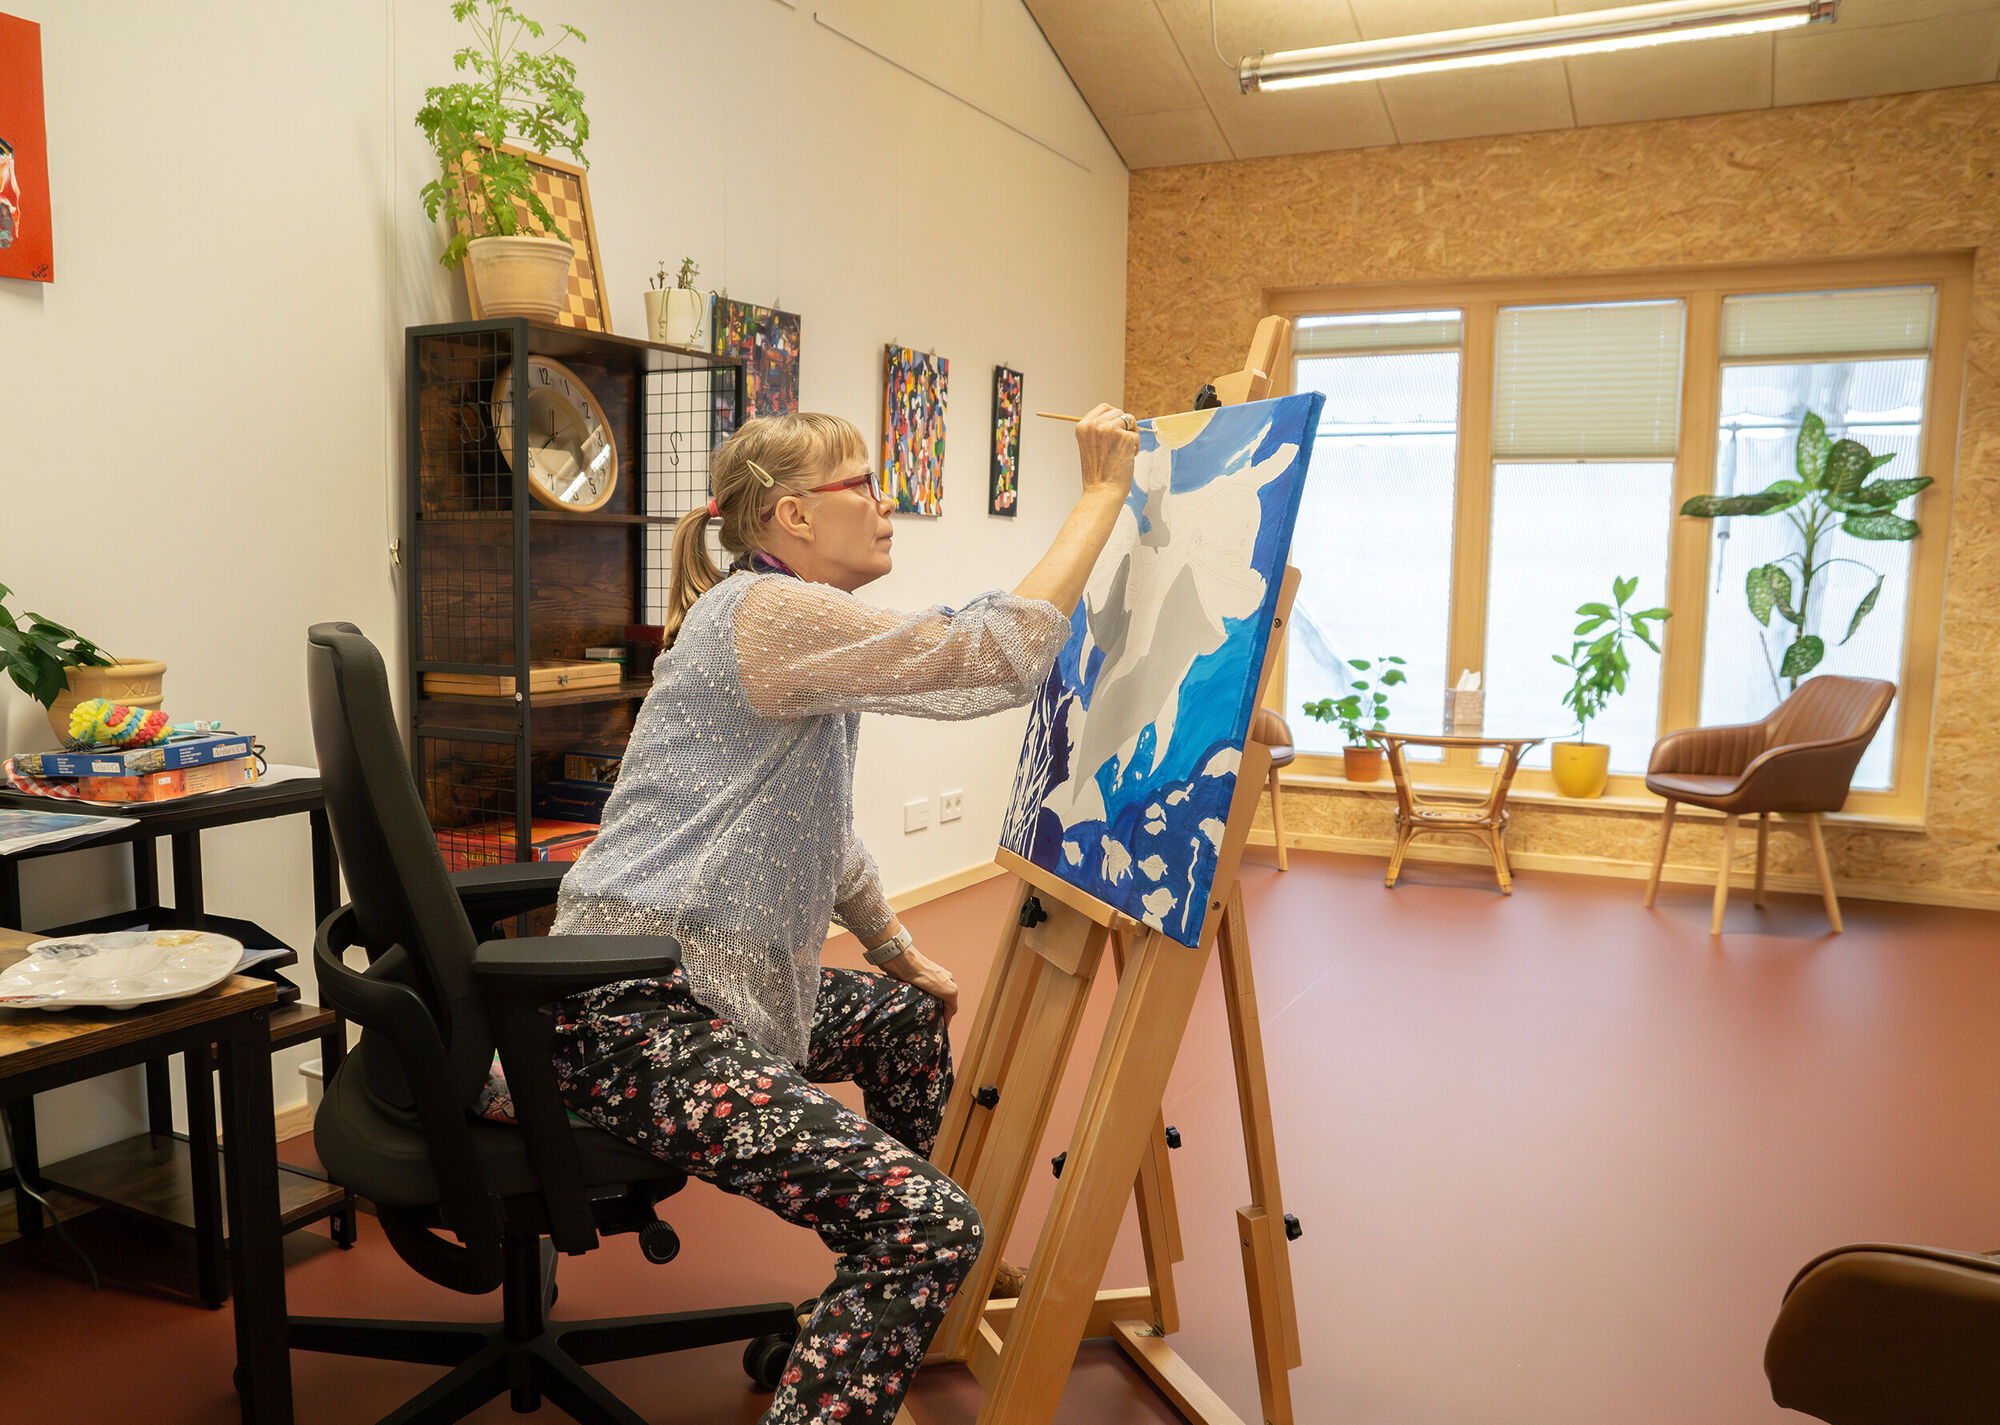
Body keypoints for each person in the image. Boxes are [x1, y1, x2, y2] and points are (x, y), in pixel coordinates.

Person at [546, 403, 1139, 1425]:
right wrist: (1099, 494)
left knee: (903, 1026)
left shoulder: (771, 619)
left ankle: (869, 1297)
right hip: (634, 1014)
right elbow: (986, 658)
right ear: (792, 516)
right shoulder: (766, 615)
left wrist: (896, 951)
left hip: (710, 986)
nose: (884, 502)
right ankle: (901, 1254)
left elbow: (817, 833)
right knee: (925, 1221)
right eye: (862, 484)